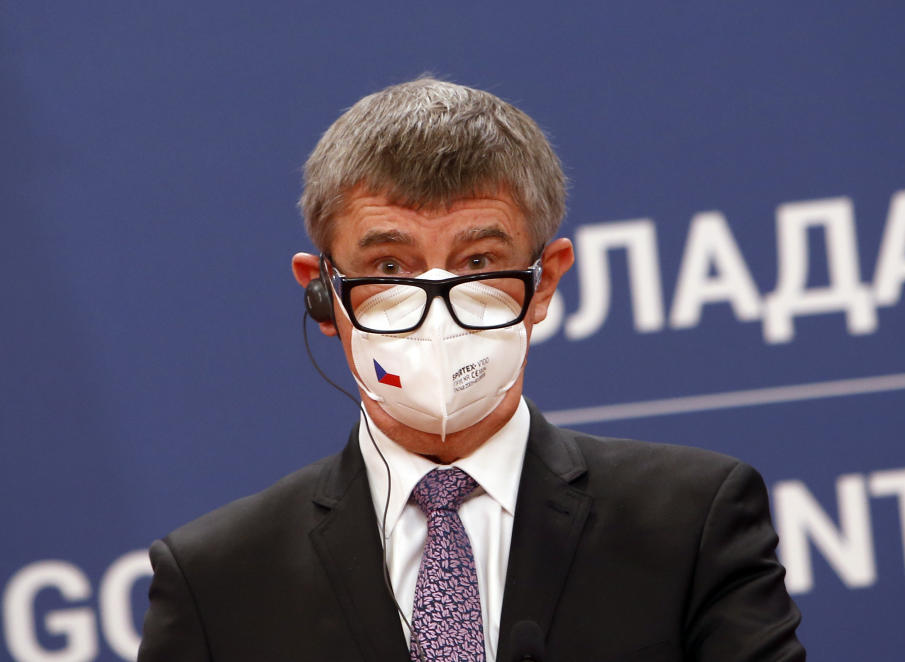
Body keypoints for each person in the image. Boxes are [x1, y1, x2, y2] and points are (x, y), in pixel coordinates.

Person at [138, 78, 804, 662]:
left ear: (544, 284)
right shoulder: (217, 580)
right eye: (390, 268)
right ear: (322, 293)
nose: (437, 312)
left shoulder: (691, 523)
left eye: (480, 263)